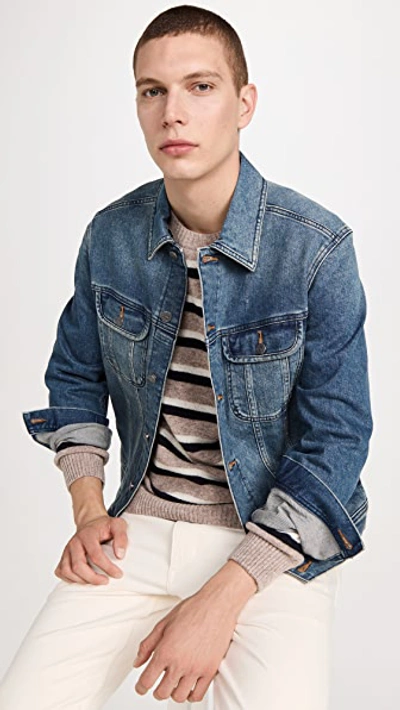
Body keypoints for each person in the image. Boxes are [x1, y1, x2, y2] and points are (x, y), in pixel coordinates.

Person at [0, 4, 373, 709]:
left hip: (273, 546)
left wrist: (222, 597)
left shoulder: (316, 248)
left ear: (244, 103)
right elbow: (75, 379)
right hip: (135, 531)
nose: (173, 112)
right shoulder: (111, 236)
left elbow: (337, 441)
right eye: (153, 90)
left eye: (200, 87)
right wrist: (89, 512)